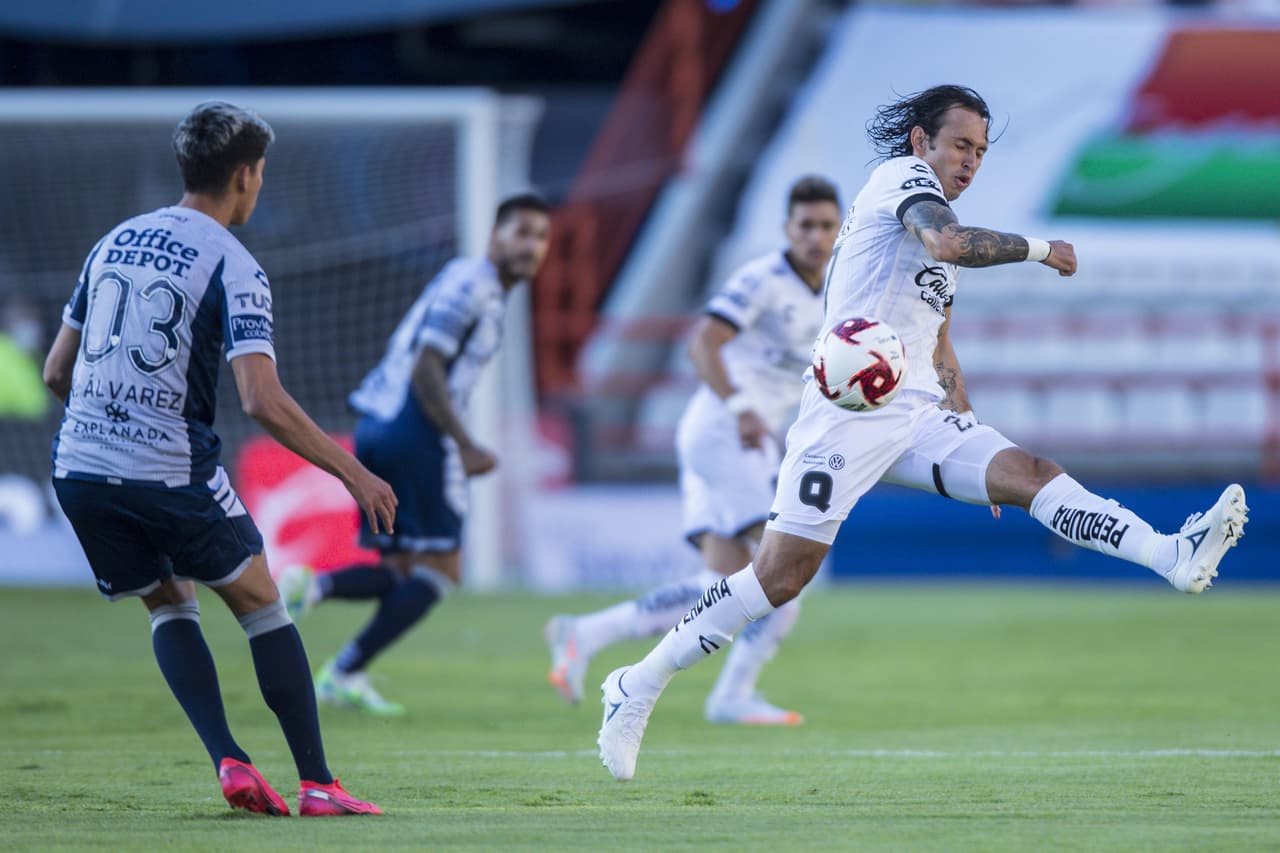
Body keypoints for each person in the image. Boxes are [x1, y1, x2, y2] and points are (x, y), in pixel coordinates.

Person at [595, 85, 1250, 781]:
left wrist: (971, 438)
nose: (970, 162)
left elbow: (940, 349)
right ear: (920, 143)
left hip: (916, 416)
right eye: (960, 145)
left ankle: (1173, 553)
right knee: (780, 577)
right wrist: (1041, 247)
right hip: (843, 414)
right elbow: (949, 240)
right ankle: (637, 683)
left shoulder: (934, 248)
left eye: (981, 152)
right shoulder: (899, 184)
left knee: (1029, 472)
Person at [42, 102, 392, 814]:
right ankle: (320, 784)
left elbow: (56, 371)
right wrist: (353, 471)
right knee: (263, 606)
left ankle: (230, 760)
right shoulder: (234, 263)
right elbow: (260, 398)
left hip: (77, 467)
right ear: (243, 174)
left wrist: (107, 426)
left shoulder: (112, 241)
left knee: (169, 604)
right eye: (260, 173)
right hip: (168, 470)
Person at [544, 176, 843, 725]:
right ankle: (732, 694)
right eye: (806, 225)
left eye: (826, 226)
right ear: (786, 228)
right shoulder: (762, 279)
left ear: (838, 229)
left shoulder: (832, 290)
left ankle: (588, 632)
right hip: (726, 431)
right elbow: (700, 344)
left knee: (724, 584)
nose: (816, 236)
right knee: (787, 571)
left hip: (733, 436)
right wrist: (740, 408)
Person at [277, 194, 552, 715]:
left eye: (541, 237)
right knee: (441, 571)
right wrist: (466, 443)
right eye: (521, 231)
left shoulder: (465, 278)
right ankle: (342, 667)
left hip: (378, 423)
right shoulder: (475, 288)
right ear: (495, 236)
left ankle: (314, 590)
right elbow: (428, 367)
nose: (531, 245)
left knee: (403, 567)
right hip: (416, 428)